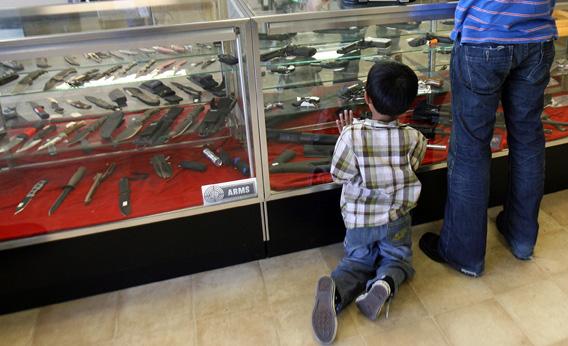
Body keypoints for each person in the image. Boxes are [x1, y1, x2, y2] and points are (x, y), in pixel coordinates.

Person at [419, 1, 557, 277]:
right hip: (537, 37)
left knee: (470, 147)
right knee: (528, 140)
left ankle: (464, 253)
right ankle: (522, 238)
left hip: (483, 38)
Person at [312, 61, 427, 344]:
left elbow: (339, 175)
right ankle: (385, 283)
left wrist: (345, 135)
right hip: (396, 219)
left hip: (360, 221)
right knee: (398, 260)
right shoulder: (415, 138)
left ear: (366, 98)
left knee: (356, 261)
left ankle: (337, 290)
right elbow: (413, 165)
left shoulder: (351, 135)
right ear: (409, 104)